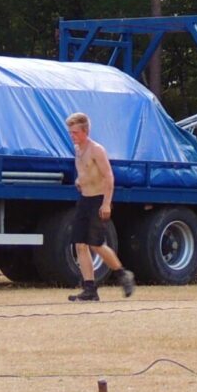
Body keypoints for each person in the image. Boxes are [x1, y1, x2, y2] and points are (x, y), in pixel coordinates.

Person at [66, 112, 133, 301]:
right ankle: (89, 289)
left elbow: (109, 177)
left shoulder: (97, 149)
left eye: (75, 132)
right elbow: (86, 171)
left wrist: (106, 203)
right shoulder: (77, 149)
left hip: (98, 200)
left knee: (96, 244)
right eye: (70, 132)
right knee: (80, 244)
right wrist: (80, 180)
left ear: (85, 131)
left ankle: (122, 274)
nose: (72, 135)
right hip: (84, 200)